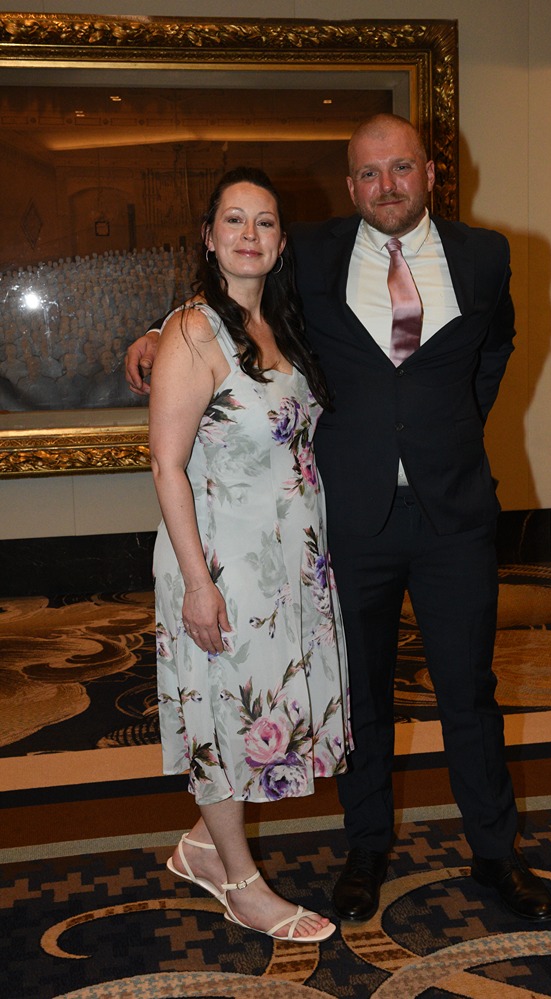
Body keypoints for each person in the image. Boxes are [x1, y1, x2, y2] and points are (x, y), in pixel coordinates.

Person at [126, 115, 551, 925]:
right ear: (350, 184)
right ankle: (365, 849)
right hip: (348, 519)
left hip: (453, 513)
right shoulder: (314, 253)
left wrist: (445, 429)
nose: (385, 185)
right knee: (360, 696)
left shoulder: (484, 256)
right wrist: (154, 332)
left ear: (430, 173)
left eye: (400, 169)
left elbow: (493, 352)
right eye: (367, 173)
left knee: (469, 691)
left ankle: (496, 853)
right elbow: (227, 290)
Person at [148, 166, 352, 942]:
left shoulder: (281, 325)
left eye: (263, 222)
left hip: (286, 562)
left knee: (256, 709)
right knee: (224, 715)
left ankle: (205, 844)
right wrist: (197, 582)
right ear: (207, 237)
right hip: (221, 563)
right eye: (232, 220)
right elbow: (166, 464)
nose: (248, 234)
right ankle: (238, 882)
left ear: (281, 241)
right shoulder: (192, 331)